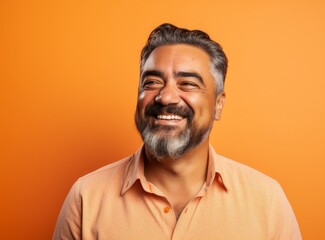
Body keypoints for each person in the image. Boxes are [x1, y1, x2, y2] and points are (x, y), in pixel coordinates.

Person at [53, 23, 302, 240]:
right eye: (152, 82)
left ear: (218, 104)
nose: (166, 96)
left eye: (188, 83)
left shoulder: (266, 201)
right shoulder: (86, 197)